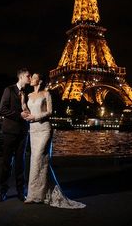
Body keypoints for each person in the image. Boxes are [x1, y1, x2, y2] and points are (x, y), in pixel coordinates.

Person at [21, 72, 86, 209]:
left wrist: (35, 117)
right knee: (36, 160)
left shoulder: (46, 94)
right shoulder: (29, 96)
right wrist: (23, 108)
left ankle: (39, 194)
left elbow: (49, 112)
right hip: (33, 131)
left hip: (44, 129)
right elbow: (27, 110)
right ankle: (34, 194)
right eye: (31, 77)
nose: (31, 79)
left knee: (39, 157)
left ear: (40, 81)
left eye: (33, 77)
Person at [0, 68, 31, 202]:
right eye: (28, 76)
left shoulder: (28, 93)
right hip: (10, 132)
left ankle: (20, 192)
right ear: (21, 77)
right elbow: (2, 109)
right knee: (7, 163)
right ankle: (3, 191)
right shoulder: (9, 90)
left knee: (21, 163)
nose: (30, 78)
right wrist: (19, 115)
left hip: (23, 132)